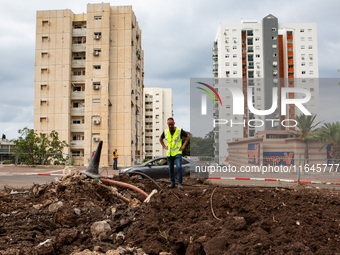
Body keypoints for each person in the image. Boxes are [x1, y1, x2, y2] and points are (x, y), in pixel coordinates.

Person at [159, 117, 190, 190]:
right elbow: (160, 139)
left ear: (174, 123)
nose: (170, 126)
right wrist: (164, 146)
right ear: (167, 124)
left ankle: (179, 184)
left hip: (177, 153)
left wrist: (183, 145)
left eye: (171, 125)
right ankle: (172, 183)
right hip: (169, 153)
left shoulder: (179, 131)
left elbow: (188, 136)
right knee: (170, 169)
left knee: (179, 167)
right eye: (169, 125)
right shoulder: (166, 132)